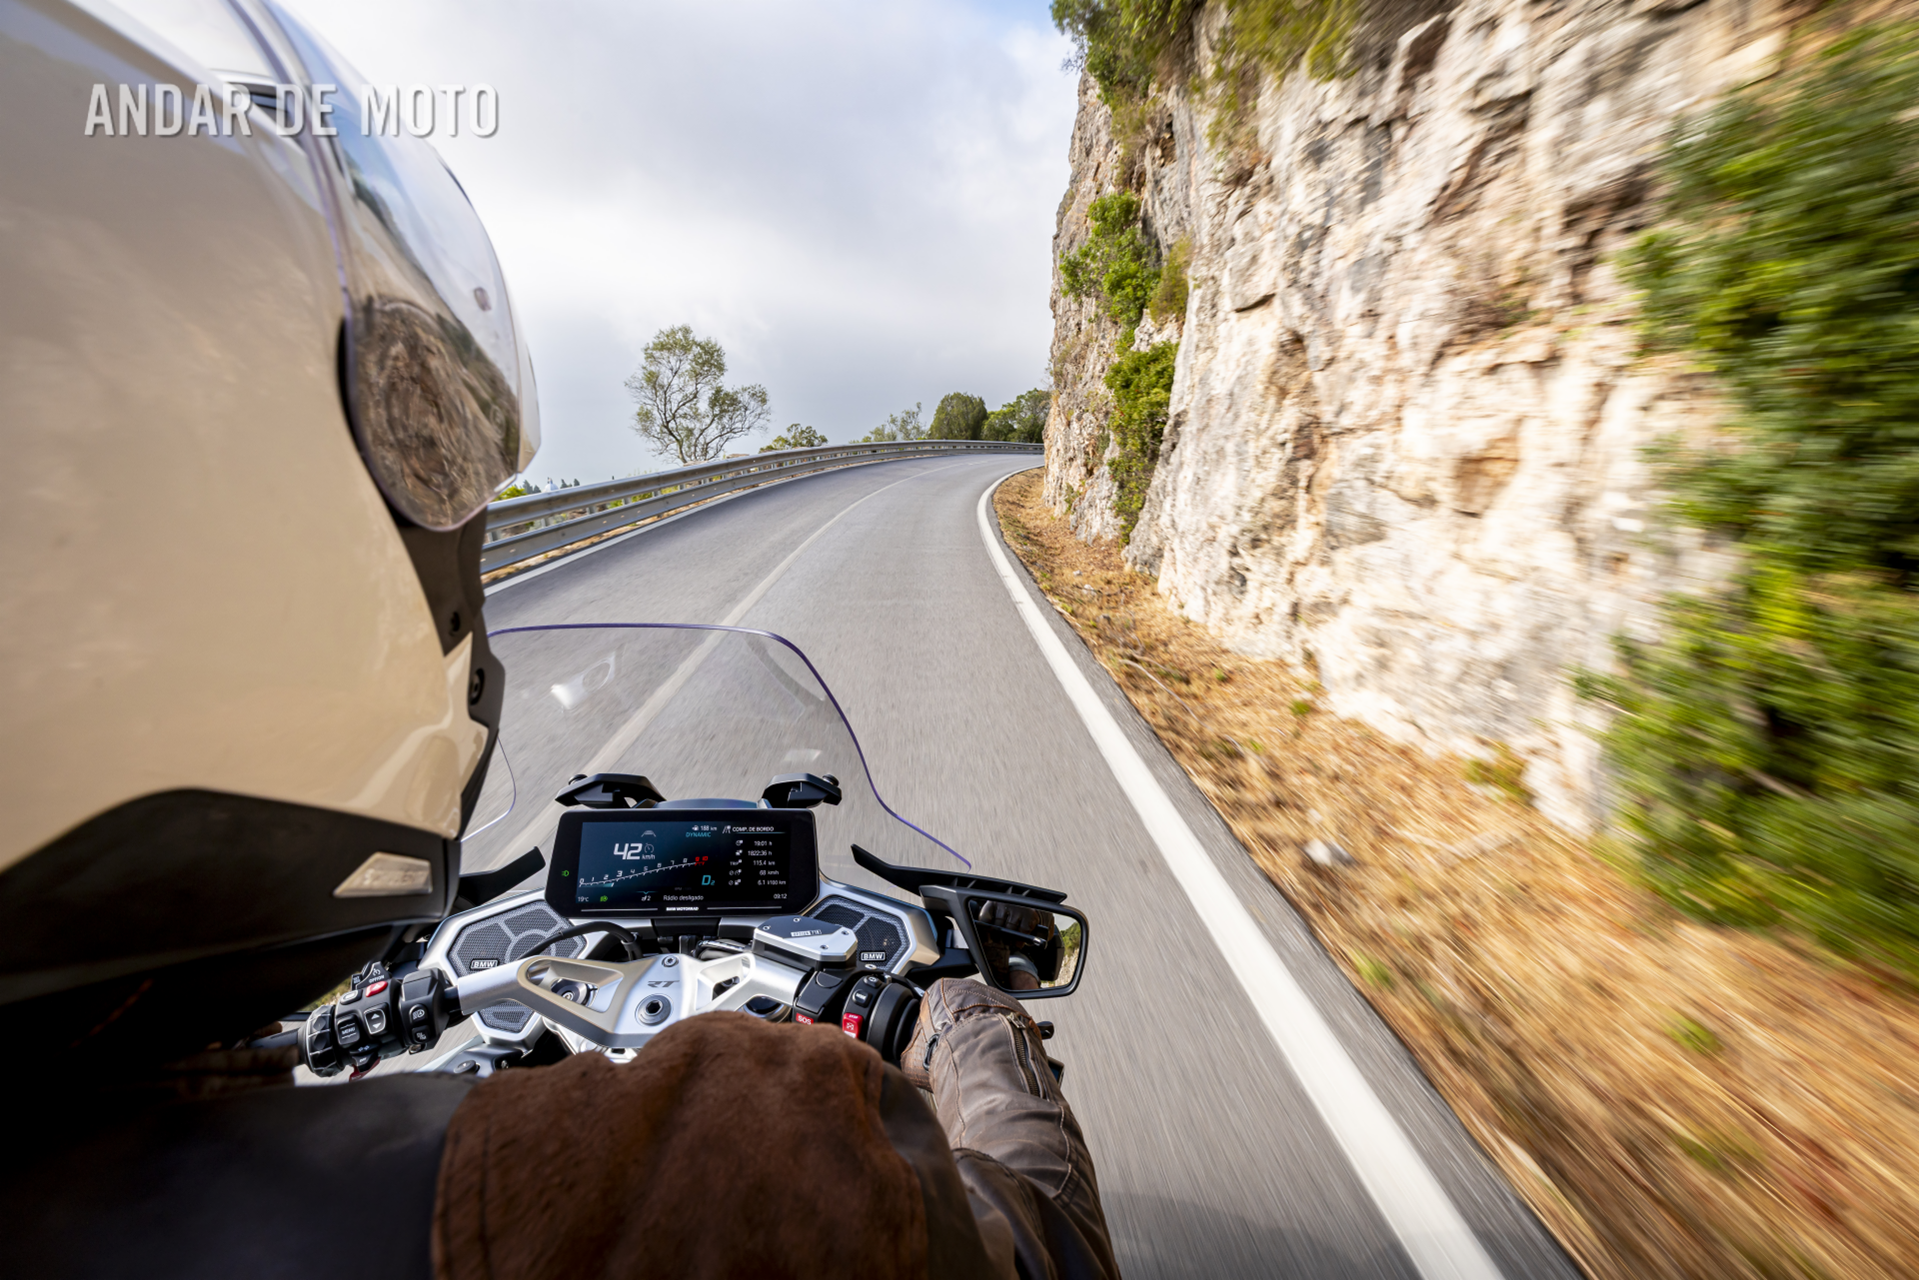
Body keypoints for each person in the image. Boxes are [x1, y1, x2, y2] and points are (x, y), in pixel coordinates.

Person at [0, 3, 1118, 1276]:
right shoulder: (720, 1171)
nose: (473, 641)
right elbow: (1039, 1245)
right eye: (446, 531)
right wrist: (968, 1022)